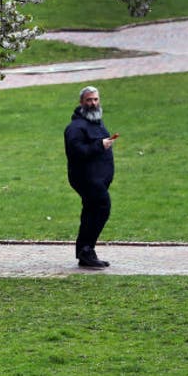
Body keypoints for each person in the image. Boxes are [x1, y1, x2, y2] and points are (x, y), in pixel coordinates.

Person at [63, 85, 118, 269]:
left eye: (95, 99)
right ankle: (86, 250)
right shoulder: (76, 127)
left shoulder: (97, 122)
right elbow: (77, 152)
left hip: (98, 180)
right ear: (81, 102)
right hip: (86, 179)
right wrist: (100, 145)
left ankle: (85, 251)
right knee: (102, 208)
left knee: (91, 212)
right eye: (89, 100)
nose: (93, 103)